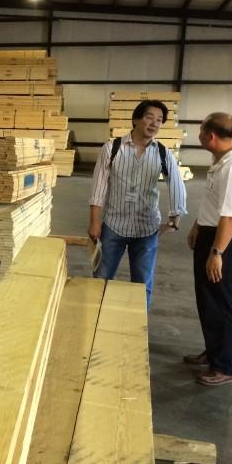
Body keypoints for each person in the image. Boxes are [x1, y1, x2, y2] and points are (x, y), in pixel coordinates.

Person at [89, 99, 188, 308]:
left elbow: (176, 184)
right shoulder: (113, 149)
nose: (154, 124)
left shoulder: (162, 153)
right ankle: (95, 322)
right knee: (102, 278)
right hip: (114, 225)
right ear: (136, 119)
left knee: (142, 283)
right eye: (149, 117)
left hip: (147, 229)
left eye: (159, 120)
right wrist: (95, 222)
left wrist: (175, 217)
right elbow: (99, 187)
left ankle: (137, 330)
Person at [185, 112, 232, 386]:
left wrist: (217, 254)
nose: (200, 137)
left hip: (226, 241)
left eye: (201, 132)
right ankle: (213, 351)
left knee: (222, 302)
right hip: (212, 233)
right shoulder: (221, 161)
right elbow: (215, 205)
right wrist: (198, 226)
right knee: (207, 299)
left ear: (210, 136)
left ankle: (224, 366)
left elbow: (230, 217)